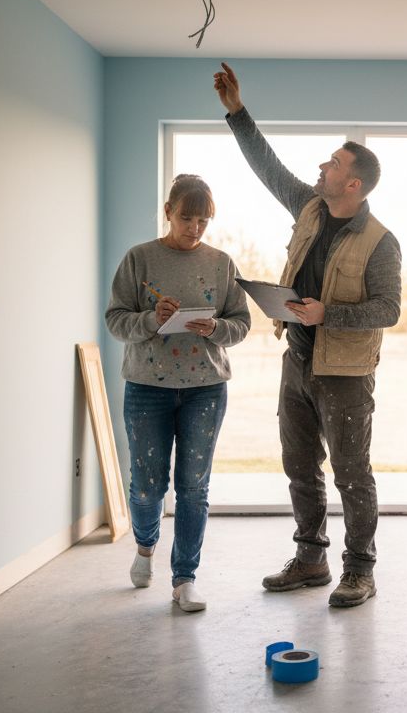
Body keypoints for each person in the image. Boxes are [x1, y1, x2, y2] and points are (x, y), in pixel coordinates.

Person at [213, 61, 402, 608]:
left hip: (345, 373)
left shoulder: (382, 241)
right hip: (296, 361)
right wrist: (237, 113)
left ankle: (360, 570)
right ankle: (311, 558)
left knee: (351, 473)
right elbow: (266, 168)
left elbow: (388, 309)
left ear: (354, 183)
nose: (322, 167)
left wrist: (329, 316)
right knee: (299, 467)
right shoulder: (310, 208)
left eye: (333, 163)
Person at [105, 173, 251, 612]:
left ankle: (184, 579)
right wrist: (151, 319)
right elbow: (115, 320)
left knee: (194, 487)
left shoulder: (223, 263)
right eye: (187, 218)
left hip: (206, 388)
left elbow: (241, 324)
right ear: (168, 211)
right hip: (147, 386)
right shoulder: (139, 260)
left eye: (204, 220)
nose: (195, 228)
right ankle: (145, 545)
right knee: (147, 487)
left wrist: (217, 328)